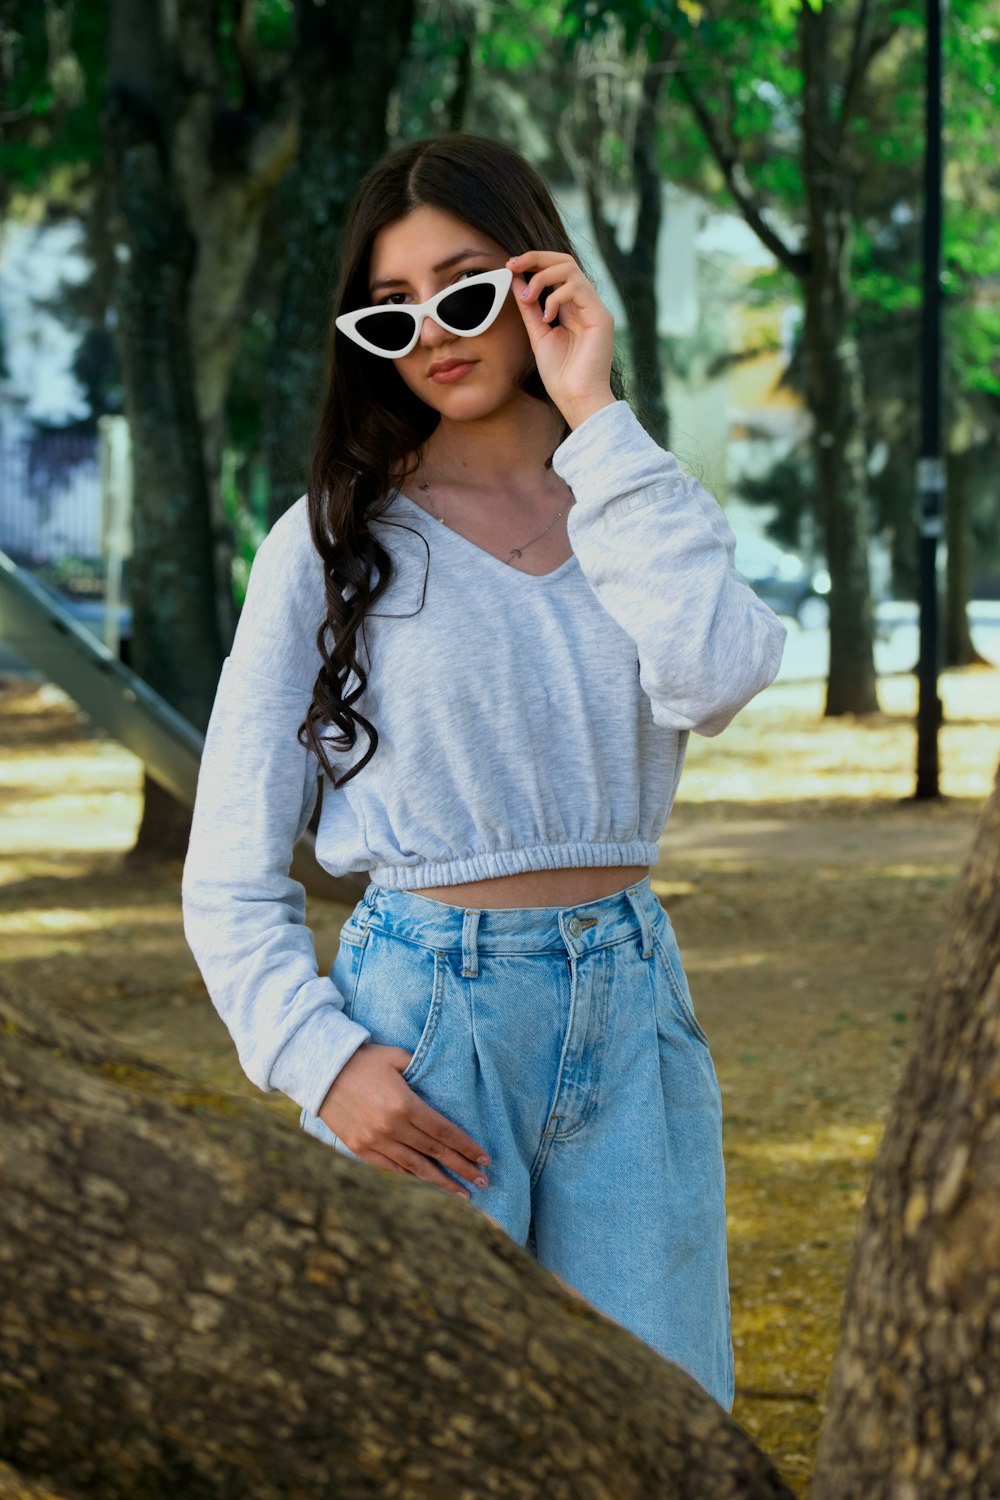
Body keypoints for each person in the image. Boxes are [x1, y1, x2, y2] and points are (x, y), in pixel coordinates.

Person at [181, 132, 786, 1411]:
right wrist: (319, 1059)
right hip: (424, 1017)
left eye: (464, 292)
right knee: (426, 1430)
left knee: (658, 1426)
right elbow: (230, 865)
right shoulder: (333, 542)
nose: (434, 334)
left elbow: (717, 677)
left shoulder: (636, 502)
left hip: (631, 1010)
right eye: (390, 312)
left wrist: (595, 411)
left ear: (537, 281)